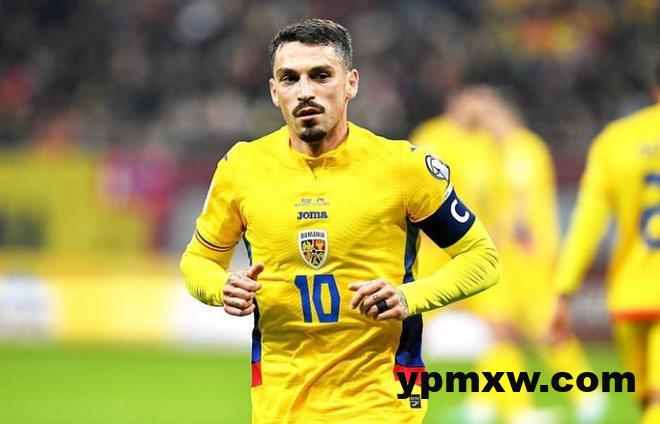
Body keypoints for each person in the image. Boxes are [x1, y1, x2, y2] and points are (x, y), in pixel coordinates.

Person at [180, 19, 501, 424]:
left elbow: (483, 259)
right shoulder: (241, 168)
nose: (305, 91)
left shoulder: (402, 167)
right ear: (274, 92)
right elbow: (197, 261)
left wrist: (408, 297)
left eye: (321, 75)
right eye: (290, 78)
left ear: (351, 83)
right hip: (279, 406)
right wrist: (220, 287)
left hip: (381, 401)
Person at [412, 86, 603, 423]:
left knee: (537, 326)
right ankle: (491, 402)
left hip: (523, 255)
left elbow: (518, 205)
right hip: (478, 251)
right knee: (497, 328)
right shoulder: (455, 139)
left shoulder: (520, 147)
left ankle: (580, 393)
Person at [548, 64, 660, 424]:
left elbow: (587, 224)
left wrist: (563, 291)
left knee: (650, 401)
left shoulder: (616, 141)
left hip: (631, 295)